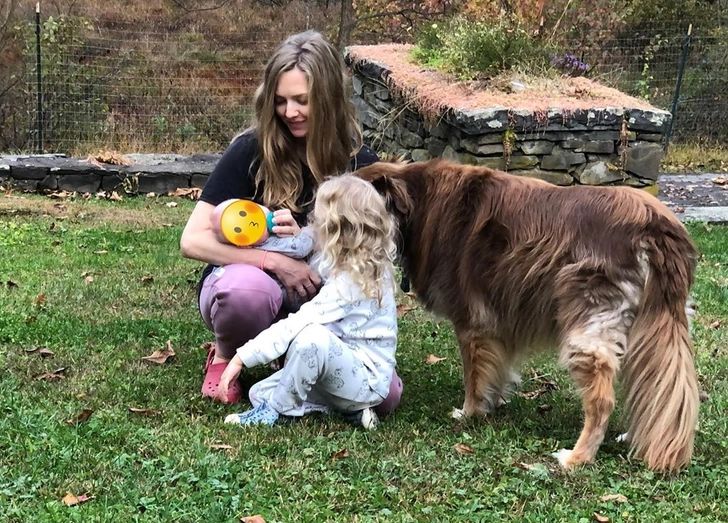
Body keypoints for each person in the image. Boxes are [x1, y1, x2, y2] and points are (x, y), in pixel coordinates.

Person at [179, 30, 403, 409]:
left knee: (386, 395)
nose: (290, 112)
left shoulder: (356, 161)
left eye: (302, 101)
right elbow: (193, 240)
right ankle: (224, 354)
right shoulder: (250, 150)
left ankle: (300, 363)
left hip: (324, 299)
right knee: (245, 293)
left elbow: (372, 251)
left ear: (329, 99)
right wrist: (277, 262)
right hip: (254, 287)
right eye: (280, 101)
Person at [218, 175, 398, 429]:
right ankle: (347, 411)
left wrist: (242, 357)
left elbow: (299, 322)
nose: (313, 222)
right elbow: (303, 243)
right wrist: (263, 234)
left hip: (366, 379)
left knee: (310, 337)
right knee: (258, 392)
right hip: (337, 370)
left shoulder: (354, 281)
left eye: (319, 220)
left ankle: (278, 412)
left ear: (336, 230)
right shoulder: (348, 259)